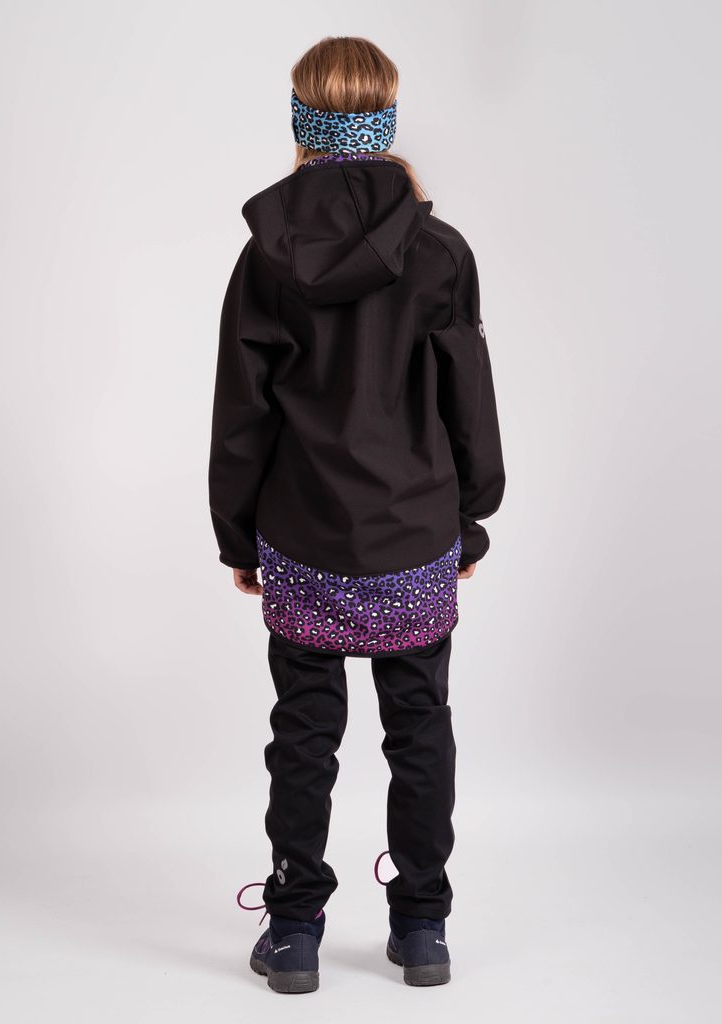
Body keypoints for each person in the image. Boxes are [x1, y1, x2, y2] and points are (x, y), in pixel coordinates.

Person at [208, 35, 506, 993]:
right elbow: (469, 403)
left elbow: (241, 416)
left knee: (304, 732)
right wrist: (472, 518)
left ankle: (295, 929)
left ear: (301, 120)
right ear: (386, 117)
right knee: (420, 727)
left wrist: (237, 535)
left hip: (302, 537)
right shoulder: (440, 252)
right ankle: (422, 927)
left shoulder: (266, 259)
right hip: (414, 537)